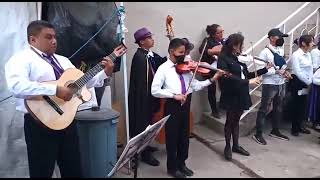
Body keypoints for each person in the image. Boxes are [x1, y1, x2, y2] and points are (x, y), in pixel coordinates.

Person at [4, 20, 126, 178]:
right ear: (33, 39)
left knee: (73, 168)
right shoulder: (21, 59)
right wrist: (55, 89)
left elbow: (83, 82)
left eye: (55, 37)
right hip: (40, 124)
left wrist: (105, 73)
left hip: (67, 121)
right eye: (48, 37)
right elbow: (17, 86)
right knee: (42, 171)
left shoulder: (63, 60)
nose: (54, 41)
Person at [151, 38, 226, 178]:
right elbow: (154, 90)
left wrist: (212, 79)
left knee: (184, 137)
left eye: (185, 52)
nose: (183, 55)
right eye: (180, 52)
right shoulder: (163, 69)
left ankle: (182, 164)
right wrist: (174, 95)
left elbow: (195, 85)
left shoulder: (186, 68)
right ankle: (172, 168)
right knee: (172, 138)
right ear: (171, 51)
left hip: (186, 104)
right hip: (173, 106)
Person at [217, 33, 269, 161]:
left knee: (236, 121)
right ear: (234, 46)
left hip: (241, 94)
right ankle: (227, 146)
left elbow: (247, 75)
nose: (243, 47)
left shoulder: (237, 58)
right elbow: (226, 76)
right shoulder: (223, 58)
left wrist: (264, 69)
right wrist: (247, 82)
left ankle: (236, 145)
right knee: (230, 121)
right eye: (241, 45)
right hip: (231, 95)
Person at [128, 27, 166, 166]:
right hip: (142, 99)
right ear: (142, 41)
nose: (152, 39)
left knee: (149, 124)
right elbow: (141, 84)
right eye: (149, 37)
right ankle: (143, 154)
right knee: (143, 126)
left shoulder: (149, 54)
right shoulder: (139, 57)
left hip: (150, 98)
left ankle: (146, 146)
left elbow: (161, 63)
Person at [252, 28, 291, 145]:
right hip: (270, 84)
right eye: (280, 37)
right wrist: (275, 72)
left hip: (281, 83)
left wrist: (285, 72)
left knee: (278, 108)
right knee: (264, 109)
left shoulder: (280, 49)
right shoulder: (265, 52)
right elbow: (260, 70)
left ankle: (275, 130)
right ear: (272, 38)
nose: (282, 39)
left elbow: (281, 66)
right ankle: (258, 134)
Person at [287, 34, 314, 136]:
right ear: (303, 43)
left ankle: (300, 126)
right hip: (298, 82)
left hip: (307, 81)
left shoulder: (308, 54)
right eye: (311, 42)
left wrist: (310, 79)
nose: (312, 44)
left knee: (303, 105)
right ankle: (295, 128)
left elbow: (310, 68)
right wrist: (307, 82)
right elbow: (297, 71)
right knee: (296, 105)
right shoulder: (296, 55)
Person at [199, 24, 226, 118]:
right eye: (219, 32)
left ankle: (224, 106)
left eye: (222, 31)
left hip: (221, 67)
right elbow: (201, 50)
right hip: (209, 69)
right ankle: (214, 111)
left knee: (225, 86)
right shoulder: (207, 40)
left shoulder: (223, 41)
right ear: (214, 34)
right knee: (212, 90)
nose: (222, 33)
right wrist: (214, 51)